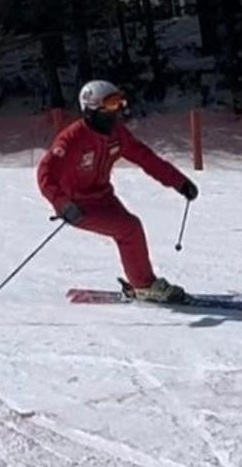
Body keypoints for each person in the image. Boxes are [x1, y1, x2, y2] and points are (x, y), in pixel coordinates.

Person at [36, 79, 199, 303]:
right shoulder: (71, 140)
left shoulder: (116, 133)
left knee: (130, 231)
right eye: (111, 105)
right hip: (77, 206)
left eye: (119, 103)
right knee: (129, 229)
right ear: (92, 109)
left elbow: (145, 158)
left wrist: (179, 182)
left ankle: (140, 282)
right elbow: (46, 175)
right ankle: (143, 285)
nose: (118, 111)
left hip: (103, 197)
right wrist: (62, 204)